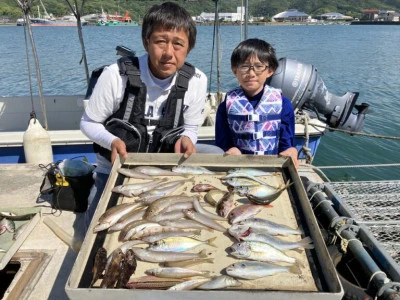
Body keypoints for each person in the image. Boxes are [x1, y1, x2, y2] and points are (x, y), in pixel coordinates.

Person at [80, 2, 222, 229]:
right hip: (118, 167)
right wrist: (112, 140)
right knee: (95, 227)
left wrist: (188, 139)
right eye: (160, 41)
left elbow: (191, 128)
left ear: (189, 48)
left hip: (164, 162)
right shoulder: (116, 75)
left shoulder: (197, 81)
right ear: (146, 42)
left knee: (216, 153)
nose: (168, 53)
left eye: (178, 44)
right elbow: (88, 122)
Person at [215, 38, 299, 168]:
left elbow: (286, 143)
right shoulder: (225, 106)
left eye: (259, 66)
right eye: (244, 66)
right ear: (234, 70)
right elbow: (222, 142)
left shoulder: (283, 104)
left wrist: (290, 151)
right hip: (237, 166)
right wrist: (230, 149)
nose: (251, 73)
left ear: (270, 71)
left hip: (272, 167)